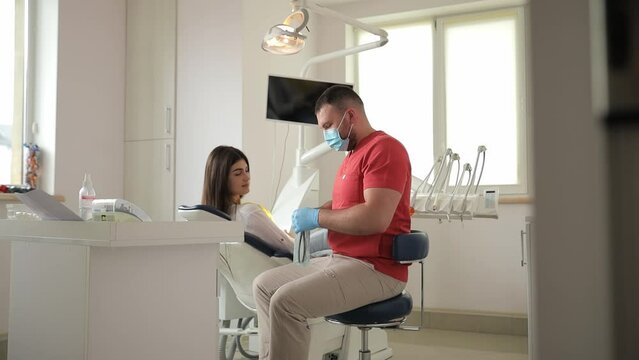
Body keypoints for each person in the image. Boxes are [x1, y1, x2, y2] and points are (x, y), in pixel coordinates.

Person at [252, 85, 412, 360]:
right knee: (263, 286)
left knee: (286, 302)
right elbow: (344, 207)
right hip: (342, 258)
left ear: (350, 116)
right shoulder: (352, 156)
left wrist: (317, 217)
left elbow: (374, 218)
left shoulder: (385, 149)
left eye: (328, 125)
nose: (327, 135)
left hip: (376, 268)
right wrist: (312, 213)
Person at [202, 145, 294, 254]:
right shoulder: (249, 213)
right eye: (238, 173)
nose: (247, 177)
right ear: (221, 179)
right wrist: (288, 237)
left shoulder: (212, 221)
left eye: (247, 170)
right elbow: (292, 248)